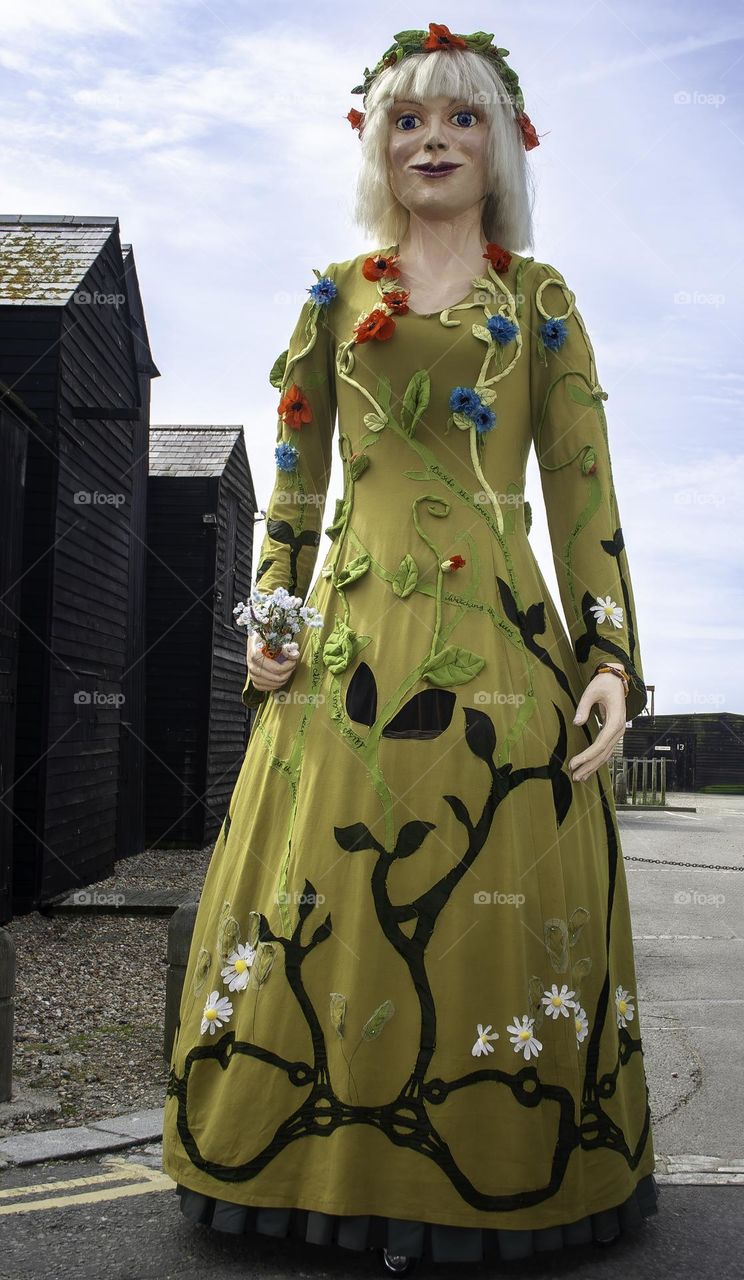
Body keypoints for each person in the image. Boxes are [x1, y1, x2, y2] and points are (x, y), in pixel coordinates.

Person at [161, 22, 660, 1271]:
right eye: (408, 119)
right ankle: (319, 1167)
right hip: (345, 666)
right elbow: (294, 487)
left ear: (502, 146)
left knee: (493, 910)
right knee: (330, 899)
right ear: (376, 143)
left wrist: (607, 657)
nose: (432, 139)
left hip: (506, 666)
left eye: (461, 117)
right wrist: (271, 621)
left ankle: (493, 1165)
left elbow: (582, 491)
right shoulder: (332, 298)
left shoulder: (541, 303)